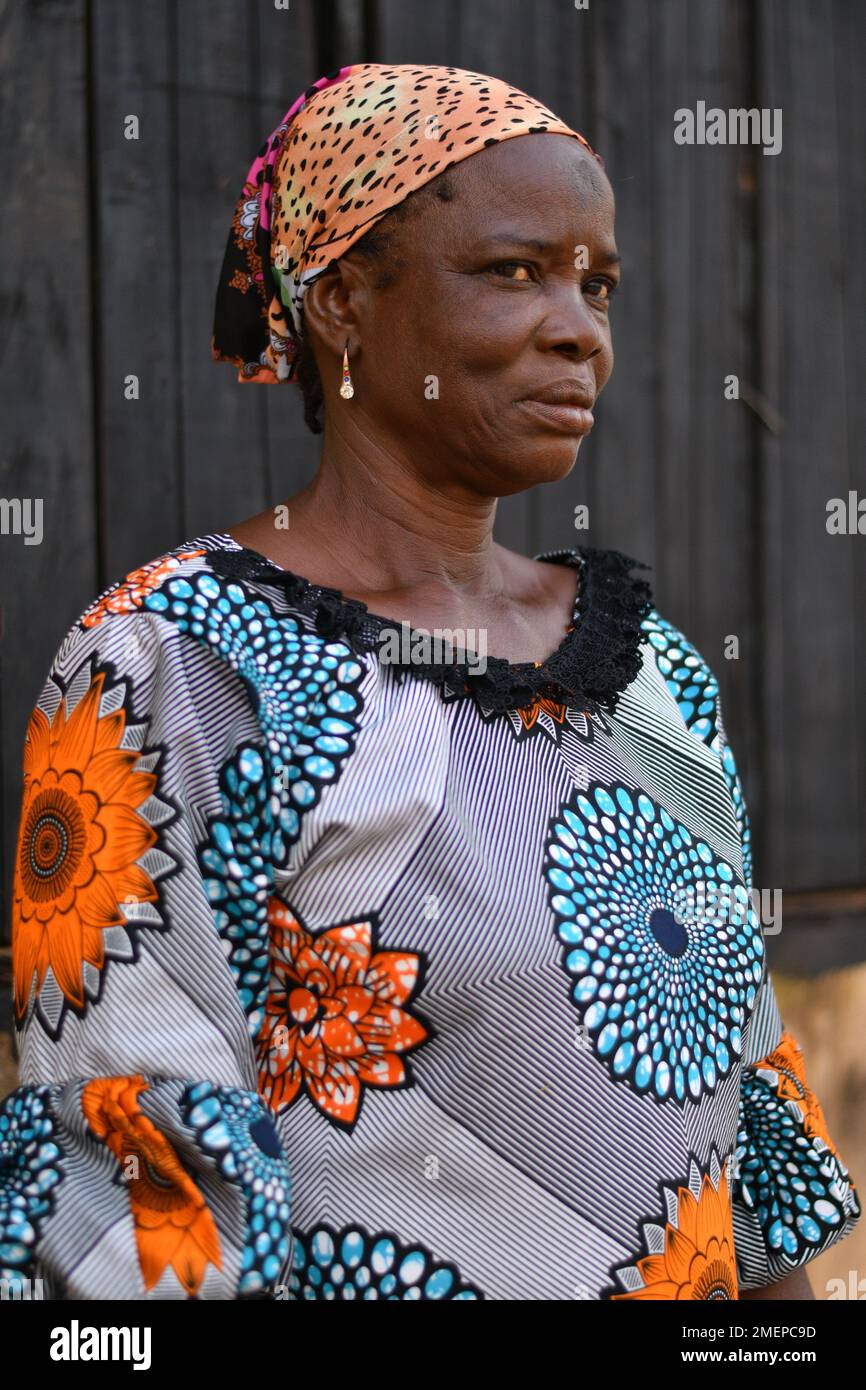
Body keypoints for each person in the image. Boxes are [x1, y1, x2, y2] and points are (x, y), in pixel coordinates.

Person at [2, 62, 859, 1301]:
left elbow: (744, 1142)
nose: (578, 327)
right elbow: (140, 1217)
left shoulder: (645, 671)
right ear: (343, 301)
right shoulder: (176, 667)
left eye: (595, 283)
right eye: (513, 270)